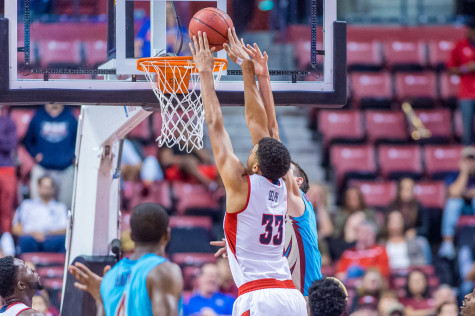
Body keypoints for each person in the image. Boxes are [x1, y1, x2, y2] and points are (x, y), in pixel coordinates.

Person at [190, 30, 306, 315]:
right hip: (291, 296)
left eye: (253, 150)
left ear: (255, 166)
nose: (251, 148)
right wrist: (246, 69)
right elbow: (263, 126)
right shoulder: (283, 185)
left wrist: (204, 72)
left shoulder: (240, 186)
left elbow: (215, 124)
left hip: (258, 295)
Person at [237, 40, 323, 297]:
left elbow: (271, 135)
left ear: (296, 182)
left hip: (306, 302)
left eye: (287, 168)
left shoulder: (300, 206)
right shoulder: (274, 212)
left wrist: (261, 76)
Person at [69, 203, 183, 316]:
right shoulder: (163, 272)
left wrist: (101, 298)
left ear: (131, 236)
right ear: (167, 235)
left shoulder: (110, 277)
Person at [23, 104, 77, 209]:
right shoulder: (38, 115)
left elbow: (78, 139)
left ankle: (63, 226)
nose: (54, 102)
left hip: (65, 169)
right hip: (43, 168)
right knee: (37, 205)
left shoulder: (70, 116)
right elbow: (27, 140)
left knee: (66, 208)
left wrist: (71, 156)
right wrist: (35, 154)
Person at [12, 176, 67, 254]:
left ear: (53, 189)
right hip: (30, 238)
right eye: (44, 187)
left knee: (63, 240)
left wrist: (46, 234)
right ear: (38, 187)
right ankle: (27, 264)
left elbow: (65, 229)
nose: (47, 190)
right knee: (26, 240)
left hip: (52, 239)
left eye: (49, 187)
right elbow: (16, 228)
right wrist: (33, 234)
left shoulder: (60, 207)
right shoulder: (26, 205)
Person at [439, 146, 475, 259]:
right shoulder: (453, 175)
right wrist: (464, 174)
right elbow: (454, 192)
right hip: (460, 208)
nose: (469, 163)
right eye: (466, 159)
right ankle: (448, 243)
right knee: (453, 203)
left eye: (472, 159)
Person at [447, 18, 475, 146]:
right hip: (467, 94)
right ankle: (468, 158)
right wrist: (466, 68)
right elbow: (451, 70)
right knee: (467, 129)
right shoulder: (460, 45)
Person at [0, 106, 17, 237]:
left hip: (5, 168)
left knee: (6, 207)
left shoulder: (8, 122)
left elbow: (10, 145)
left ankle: (6, 236)